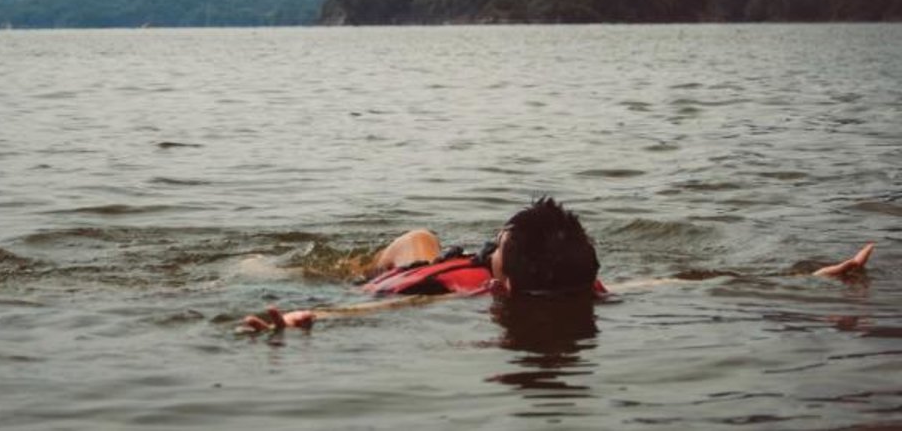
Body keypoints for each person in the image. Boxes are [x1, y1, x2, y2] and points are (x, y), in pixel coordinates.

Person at [241, 197, 875, 333]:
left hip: (395, 275)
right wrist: (811, 278)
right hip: (440, 271)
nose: (487, 250)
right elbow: (699, 283)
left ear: (504, 284)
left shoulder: (465, 295)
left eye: (493, 248)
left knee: (419, 239)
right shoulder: (592, 287)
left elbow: (372, 309)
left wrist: (303, 317)